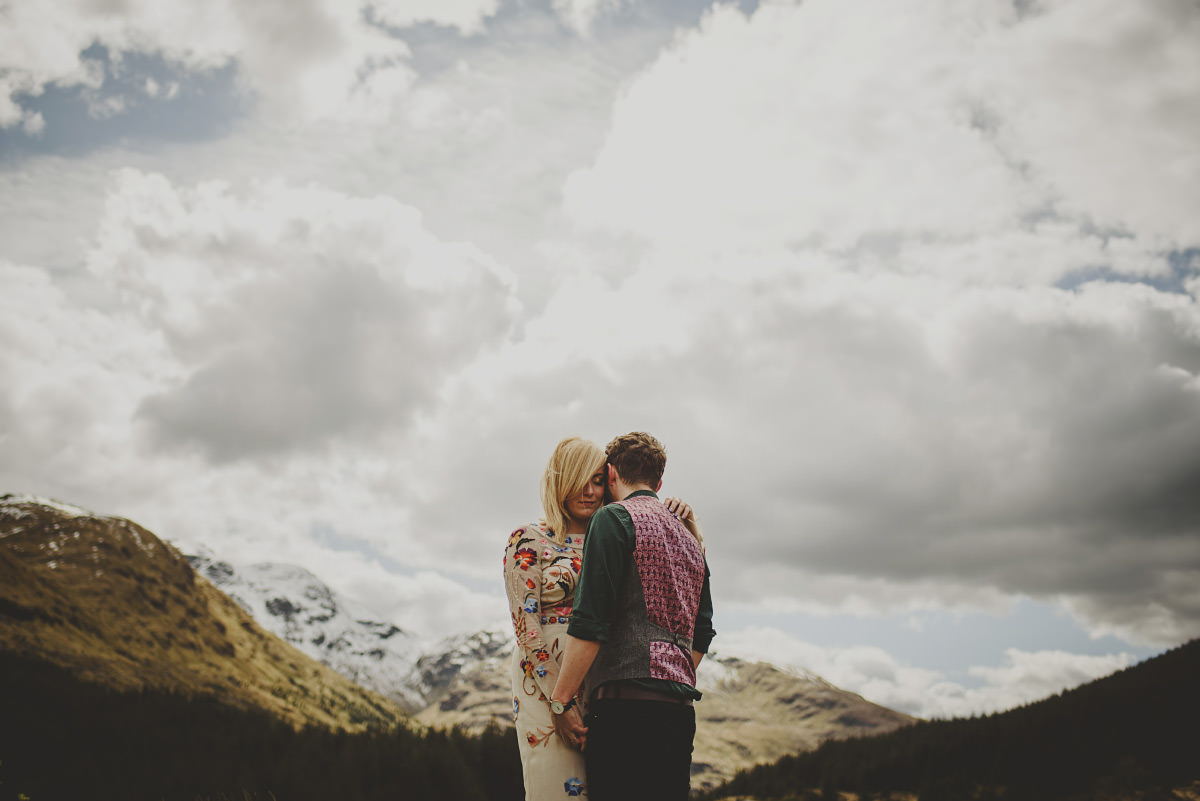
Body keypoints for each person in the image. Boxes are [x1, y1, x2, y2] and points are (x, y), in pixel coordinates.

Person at [503, 436, 695, 800]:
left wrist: (678, 513)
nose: (590, 491)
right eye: (580, 480)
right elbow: (525, 627)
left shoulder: (616, 531)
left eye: (597, 480)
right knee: (557, 789)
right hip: (546, 682)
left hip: (606, 680)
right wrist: (560, 700)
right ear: (559, 480)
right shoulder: (528, 539)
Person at [549, 431, 715, 801]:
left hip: (622, 713)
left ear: (610, 474)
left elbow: (591, 621)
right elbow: (703, 632)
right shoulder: (690, 537)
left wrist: (560, 702)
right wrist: (665, 674)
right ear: (658, 482)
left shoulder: (612, 519)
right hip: (679, 714)